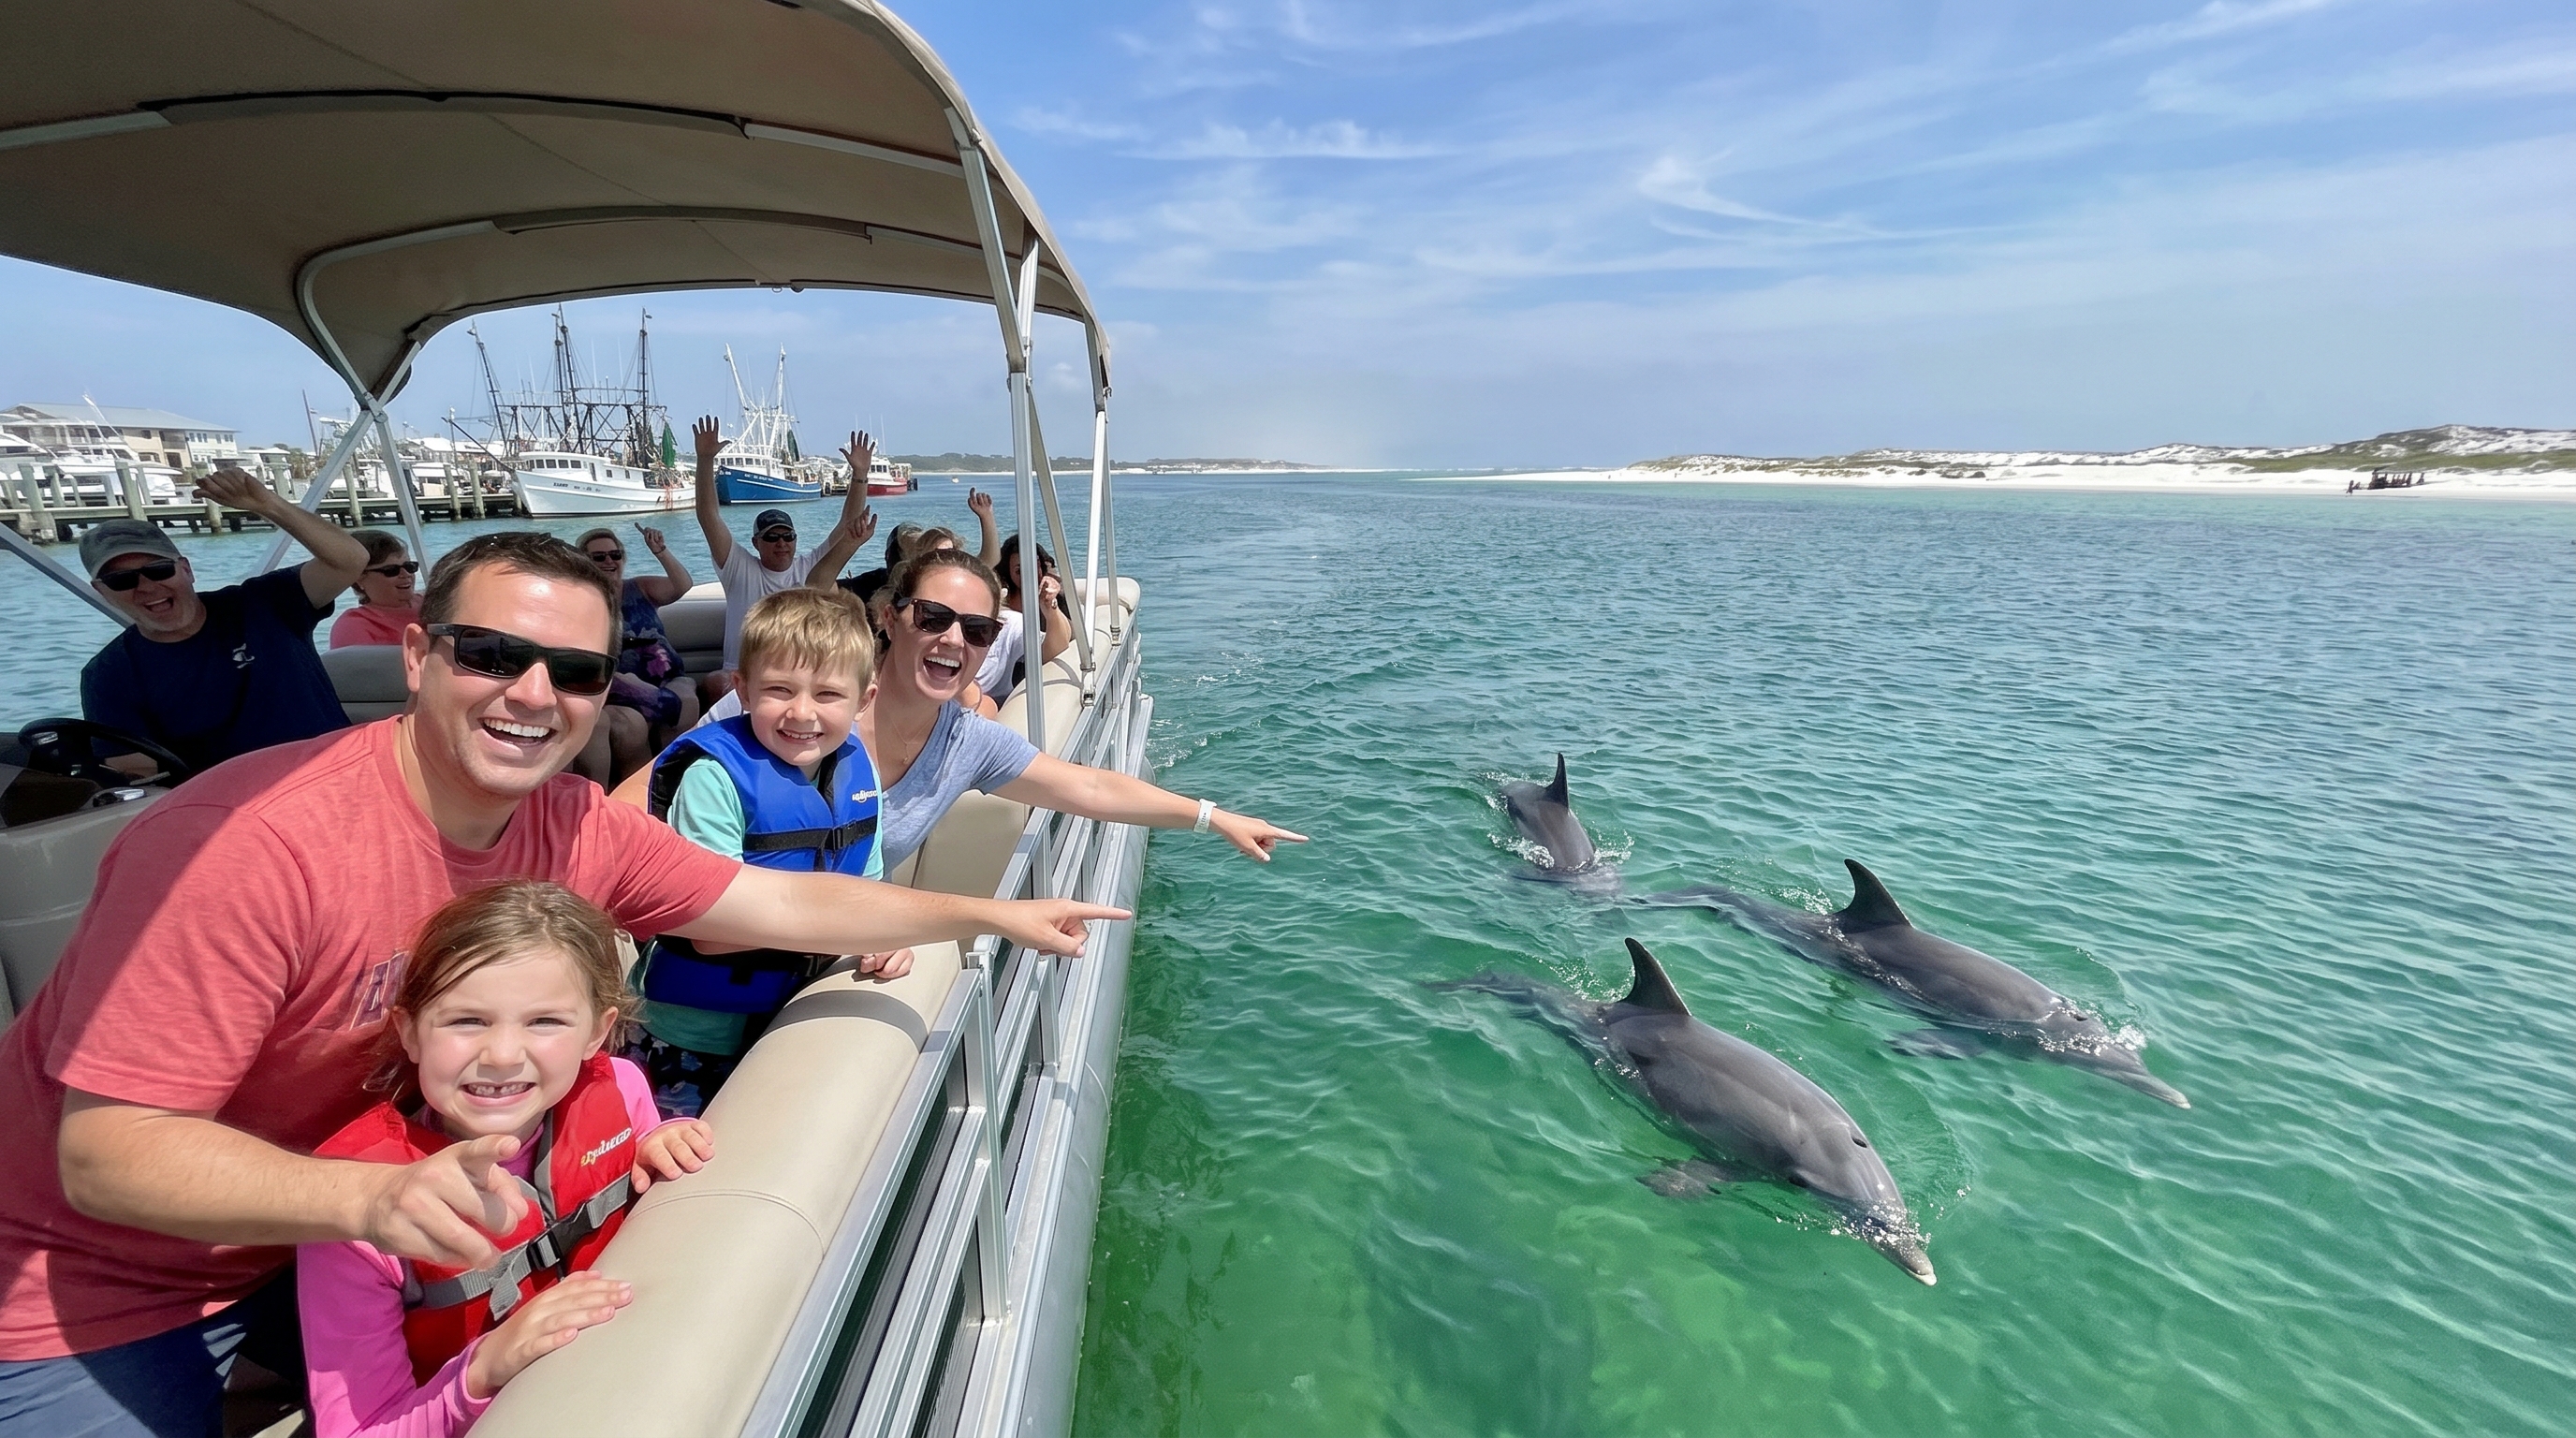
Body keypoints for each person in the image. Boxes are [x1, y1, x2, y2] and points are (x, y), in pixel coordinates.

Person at [0, 530, 1121, 1436]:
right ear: (417, 656)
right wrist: (365, 1202)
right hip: (99, 1282)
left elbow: (775, 902)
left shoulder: (568, 821)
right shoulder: (248, 845)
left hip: (354, 1232)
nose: (533, 694)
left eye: (575, 673)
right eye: (490, 655)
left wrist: (985, 915)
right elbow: (107, 1153)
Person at [298, 881, 713, 1438]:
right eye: (466, 1021)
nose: (501, 1055)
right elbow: (361, 1431)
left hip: (629, 1384)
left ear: (597, 1032)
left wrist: (666, 1139)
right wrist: (485, 1369)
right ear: (410, 1033)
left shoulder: (621, 1087)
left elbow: (642, 1150)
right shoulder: (354, 1209)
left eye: (544, 1022)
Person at [625, 588, 900, 1116]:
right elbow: (713, 929)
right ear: (743, 690)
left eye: (827, 694)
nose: (802, 712)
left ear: (864, 700)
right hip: (688, 1035)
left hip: (792, 1012)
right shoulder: (713, 781)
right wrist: (851, 922)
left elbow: (869, 891)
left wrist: (883, 938)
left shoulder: (857, 772)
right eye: (779, 690)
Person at [861, 548, 1303, 873]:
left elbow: (1091, 788)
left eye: (978, 629)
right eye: (933, 617)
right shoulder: (823, 717)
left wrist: (1217, 818)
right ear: (888, 618)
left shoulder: (964, 741)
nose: (956, 640)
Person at [78, 469, 369, 777]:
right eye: (121, 580)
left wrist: (269, 505)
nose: (147, 587)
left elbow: (349, 561)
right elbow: (133, 770)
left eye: (160, 570)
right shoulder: (108, 674)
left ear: (186, 570)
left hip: (342, 776)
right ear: (102, 592)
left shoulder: (264, 603)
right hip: (236, 808)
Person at [691, 418, 876, 681]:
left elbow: (848, 528)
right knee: (715, 682)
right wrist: (705, 459)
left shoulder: (811, 568)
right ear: (756, 543)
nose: (781, 543)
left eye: (788, 536)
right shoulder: (737, 568)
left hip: (796, 673)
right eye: (772, 537)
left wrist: (860, 476)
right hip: (740, 675)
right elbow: (708, 516)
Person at [578, 524, 699, 749]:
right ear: (584, 561)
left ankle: (671, 768)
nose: (609, 561)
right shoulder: (580, 602)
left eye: (615, 555)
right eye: (599, 557)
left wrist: (660, 551)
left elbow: (682, 585)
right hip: (620, 684)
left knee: (688, 701)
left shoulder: (640, 587)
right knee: (643, 719)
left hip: (669, 676)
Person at [832, 484, 1000, 615]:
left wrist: (987, 517)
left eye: (950, 554)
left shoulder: (953, 584)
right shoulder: (873, 584)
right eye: (937, 555)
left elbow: (987, 563)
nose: (944, 561)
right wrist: (849, 544)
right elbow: (818, 584)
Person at [976, 534, 1074, 709]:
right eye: (1020, 570)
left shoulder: (1051, 599)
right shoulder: (1002, 606)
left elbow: (1066, 640)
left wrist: (1050, 607)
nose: (1029, 573)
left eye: (1034, 566)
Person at [328, 531, 421, 649]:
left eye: (409, 566)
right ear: (359, 579)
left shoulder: (434, 604)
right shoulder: (353, 626)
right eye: (391, 570)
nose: (406, 574)